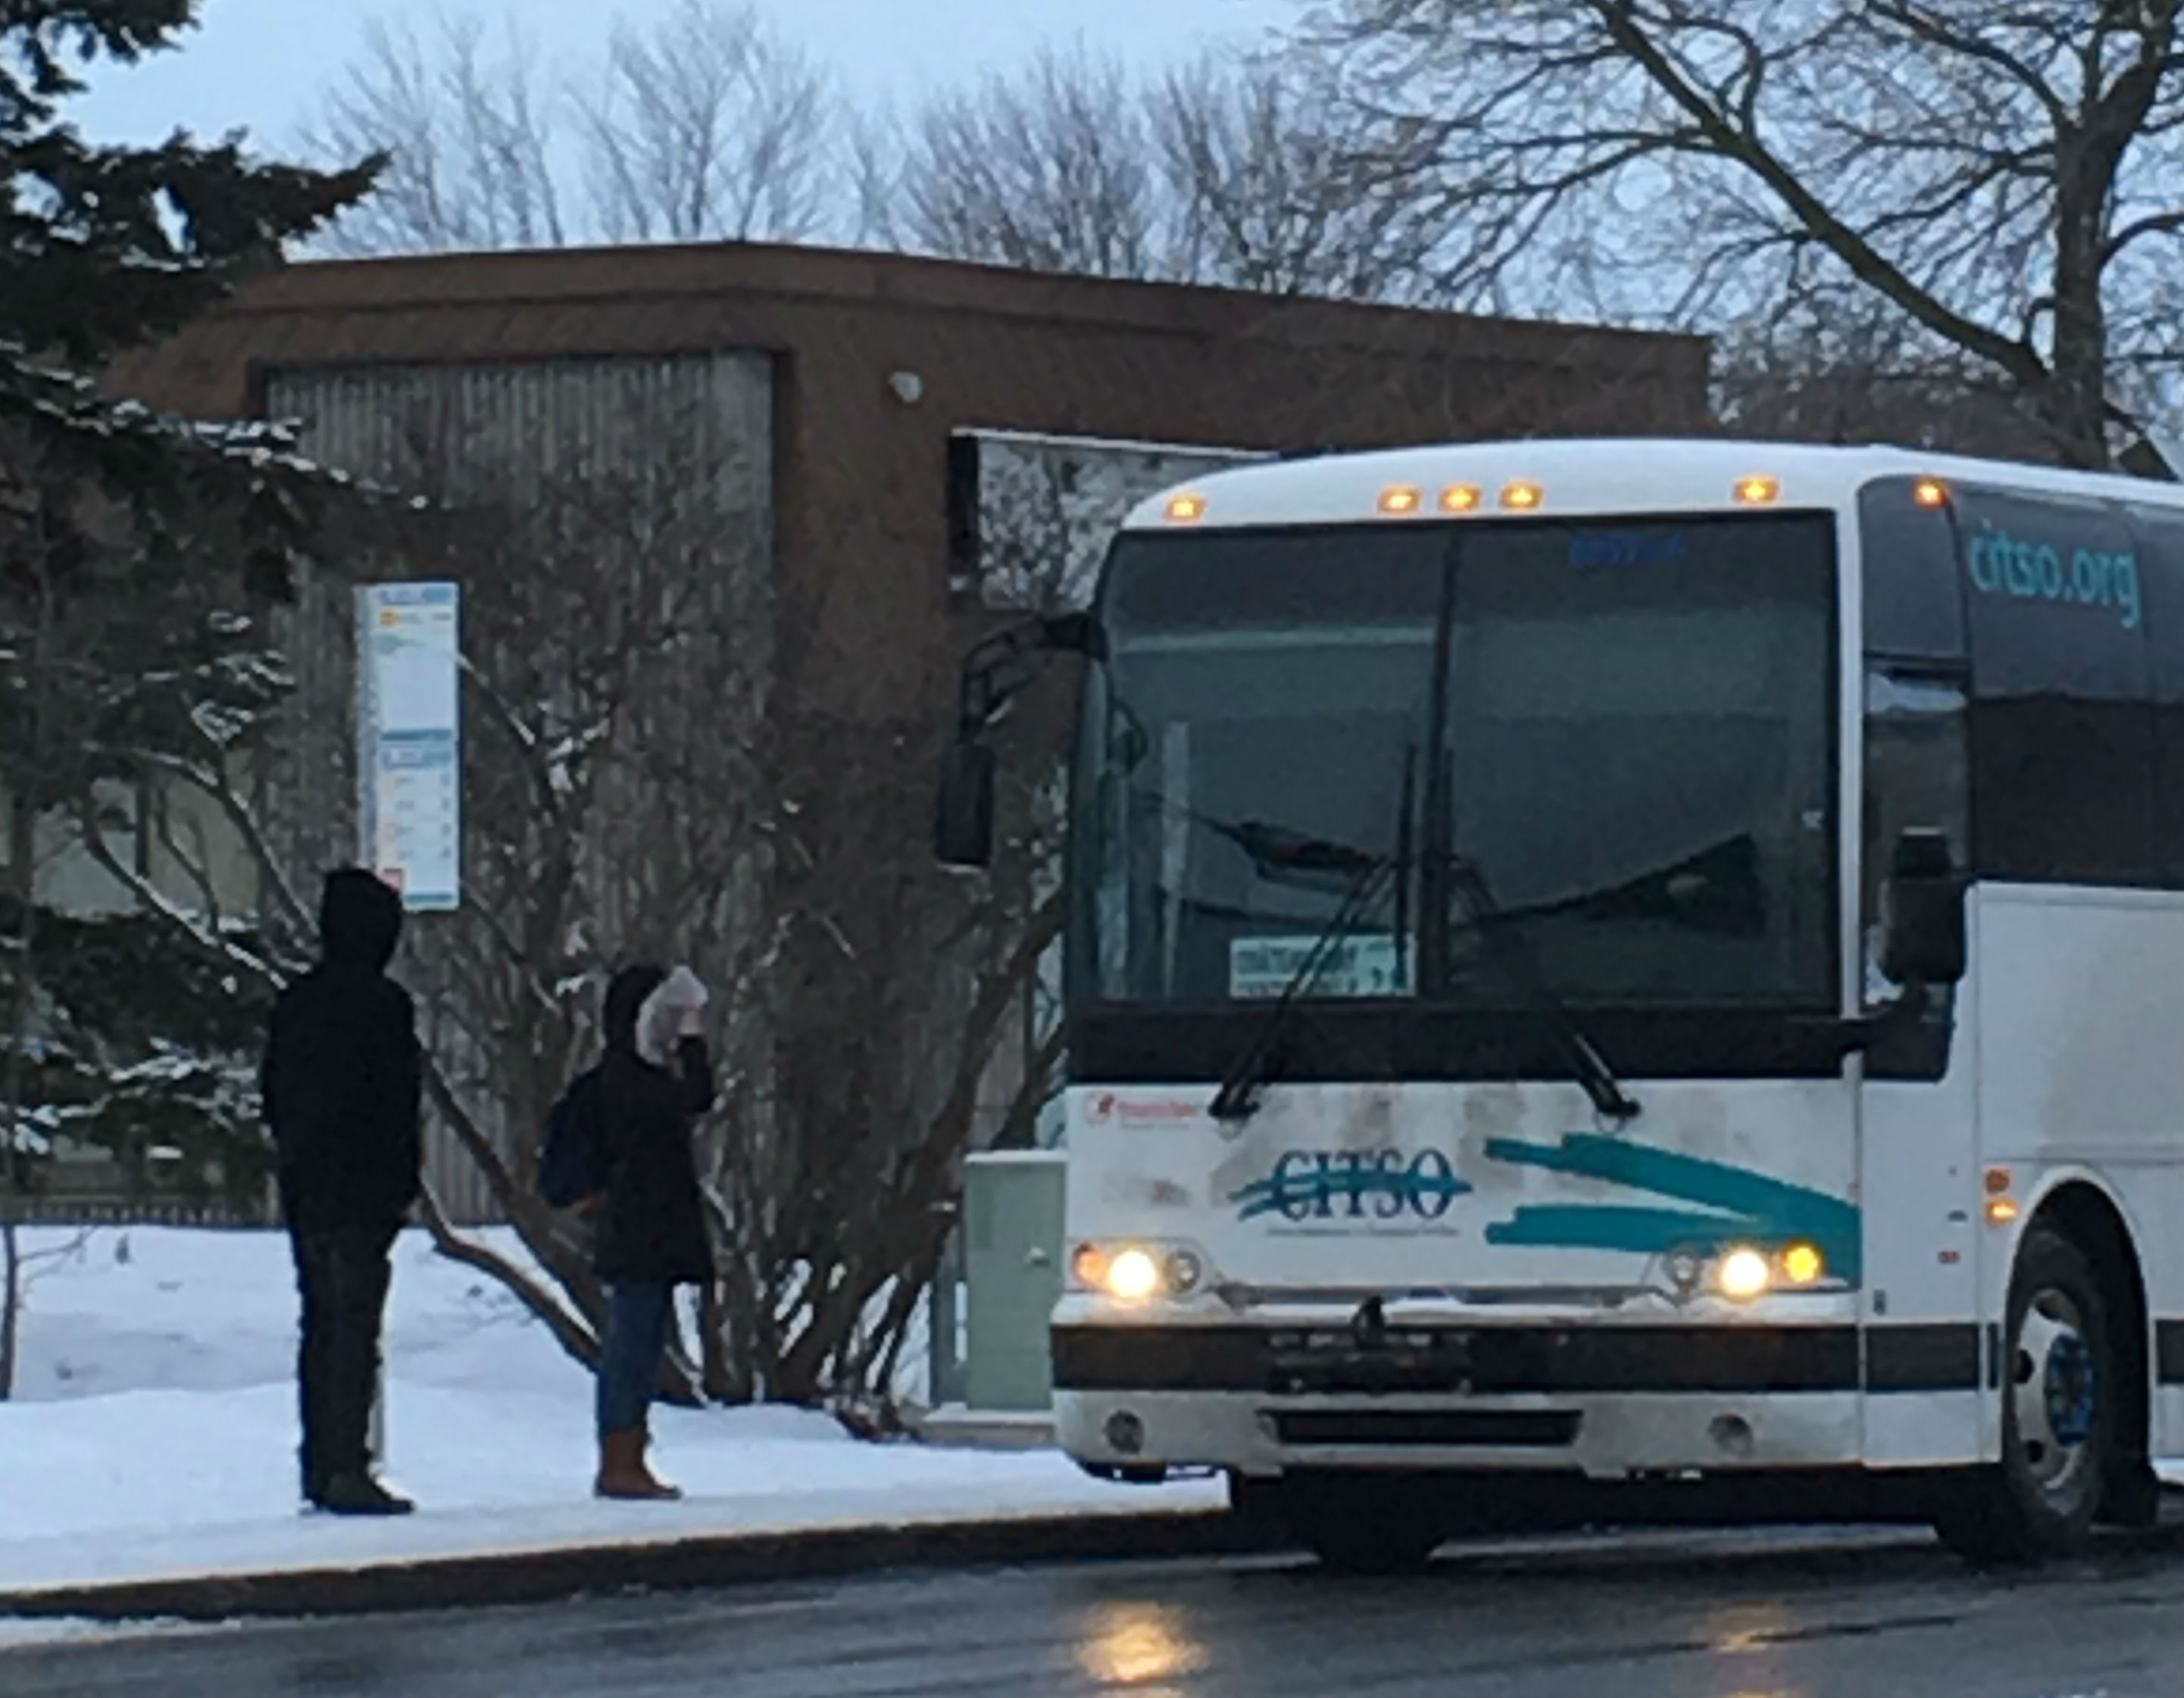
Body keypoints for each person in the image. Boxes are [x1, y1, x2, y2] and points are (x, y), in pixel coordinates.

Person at [261, 867, 424, 1515]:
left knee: (321, 1326)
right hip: (362, 1194)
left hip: (309, 1190)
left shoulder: (296, 1003)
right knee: (355, 1330)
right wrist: (398, 1182)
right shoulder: (383, 1007)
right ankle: (347, 1466)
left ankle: (320, 1462)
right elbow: (394, 1105)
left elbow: (273, 1093)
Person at [589, 962, 715, 1500]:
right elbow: (691, 1098)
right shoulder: (622, 1083)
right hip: (637, 1229)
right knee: (631, 1344)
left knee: (640, 1341)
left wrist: (690, 1039)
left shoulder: (640, 1080)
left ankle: (628, 1453)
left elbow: (697, 1095)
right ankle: (620, 1457)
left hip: (650, 1228)